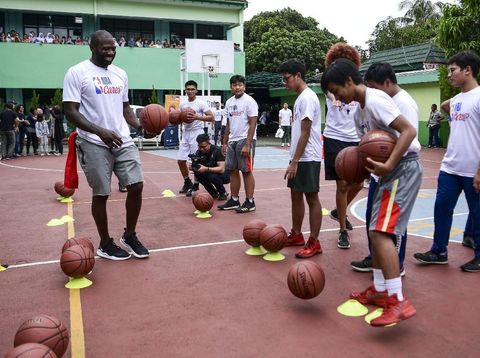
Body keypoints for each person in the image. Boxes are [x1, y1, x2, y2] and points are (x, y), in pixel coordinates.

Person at [321, 58, 421, 326]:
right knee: (374, 230)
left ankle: (398, 301)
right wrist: (360, 170)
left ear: (350, 81)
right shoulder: (358, 113)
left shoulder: (376, 100)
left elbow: (409, 131)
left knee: (380, 232)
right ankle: (379, 290)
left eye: (336, 90)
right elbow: (366, 149)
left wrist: (387, 165)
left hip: (402, 169)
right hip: (387, 173)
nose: (336, 98)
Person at [63, 29, 150, 261]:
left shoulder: (120, 74)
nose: (111, 52)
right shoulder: (77, 72)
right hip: (93, 141)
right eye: (105, 48)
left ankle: (129, 236)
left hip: (121, 138)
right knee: (101, 193)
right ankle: (105, 243)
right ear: (92, 47)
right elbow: (70, 110)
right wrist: (100, 131)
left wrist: (140, 126)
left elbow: (125, 108)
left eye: (113, 48)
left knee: (136, 185)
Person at [351, 62, 420, 275]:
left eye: (374, 86)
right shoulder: (371, 103)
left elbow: (407, 137)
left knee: (391, 225)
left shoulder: (403, 102)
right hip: (380, 170)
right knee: (375, 221)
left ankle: (395, 265)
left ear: (387, 83)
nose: (370, 91)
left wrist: (388, 163)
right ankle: (377, 260)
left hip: (398, 167)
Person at [414, 50, 480, 272]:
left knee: (478, 214)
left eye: (453, 70)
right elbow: (445, 105)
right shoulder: (458, 99)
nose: (449, 75)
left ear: (468, 70)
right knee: (441, 208)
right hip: (450, 168)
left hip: (473, 170)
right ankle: (439, 251)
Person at [277, 59, 323, 258]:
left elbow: (305, 133)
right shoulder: (300, 98)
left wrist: (295, 161)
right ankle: (297, 234)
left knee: (311, 197)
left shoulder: (307, 98)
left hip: (308, 157)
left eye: (287, 79)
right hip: (298, 156)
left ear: (298, 76)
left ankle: (315, 241)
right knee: (295, 194)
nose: (285, 83)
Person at [218, 75, 258, 213]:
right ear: (231, 87)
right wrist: (224, 141)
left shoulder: (249, 101)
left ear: (244, 86)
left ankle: (250, 201)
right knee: (232, 171)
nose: (237, 87)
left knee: (246, 171)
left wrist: (248, 144)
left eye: (240, 84)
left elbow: (253, 123)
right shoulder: (229, 102)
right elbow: (228, 123)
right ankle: (234, 200)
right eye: (234, 85)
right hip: (232, 140)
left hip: (245, 139)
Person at [177, 80, 214, 195]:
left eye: (192, 89)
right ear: (185, 90)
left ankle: (196, 185)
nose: (190, 91)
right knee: (181, 161)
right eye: (188, 89)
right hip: (186, 133)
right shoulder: (182, 104)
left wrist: (198, 117)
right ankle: (187, 182)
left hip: (197, 133)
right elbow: (179, 118)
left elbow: (211, 117)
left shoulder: (201, 103)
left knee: (196, 161)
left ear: (196, 90)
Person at [188, 133, 229, 200]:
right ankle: (213, 193)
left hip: (225, 175)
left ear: (209, 143)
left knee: (211, 175)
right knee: (198, 173)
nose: (201, 149)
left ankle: (223, 193)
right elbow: (199, 166)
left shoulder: (217, 150)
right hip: (211, 172)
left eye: (204, 147)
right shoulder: (199, 152)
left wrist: (206, 169)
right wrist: (193, 167)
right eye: (199, 146)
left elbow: (221, 169)